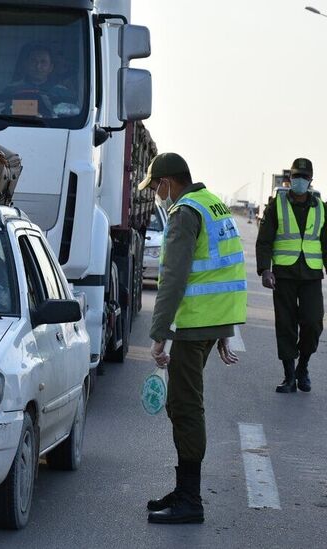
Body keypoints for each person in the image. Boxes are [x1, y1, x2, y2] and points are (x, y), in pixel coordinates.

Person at [138, 152, 246, 524]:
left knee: (185, 407)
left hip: (194, 326)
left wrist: (158, 336)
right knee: (181, 404)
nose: (155, 193)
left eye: (155, 186)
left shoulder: (185, 213)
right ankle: (184, 489)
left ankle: (190, 499)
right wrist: (224, 332)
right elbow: (224, 271)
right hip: (209, 323)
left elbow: (173, 279)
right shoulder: (214, 204)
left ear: (168, 182)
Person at [255, 157, 327, 393]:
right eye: (296, 177)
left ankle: (303, 367)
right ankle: (289, 376)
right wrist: (265, 269)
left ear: (311, 181)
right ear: (289, 179)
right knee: (285, 325)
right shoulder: (277, 205)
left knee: (313, 322)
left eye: (304, 178)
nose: (300, 181)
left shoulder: (322, 207)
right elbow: (264, 240)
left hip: (311, 276)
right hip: (283, 275)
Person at [0, 43, 74, 116]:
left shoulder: (62, 92)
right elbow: (2, 113)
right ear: (26, 64)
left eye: (43, 62)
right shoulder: (11, 90)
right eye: (33, 61)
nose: (38, 66)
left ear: (51, 67)